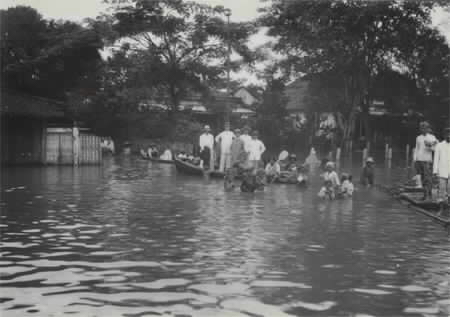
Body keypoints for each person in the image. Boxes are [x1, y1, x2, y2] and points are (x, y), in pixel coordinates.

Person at [414, 121, 437, 200]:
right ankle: (425, 194)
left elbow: (435, 149)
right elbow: (417, 149)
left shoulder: (432, 137)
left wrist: (429, 146)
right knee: (422, 178)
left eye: (425, 128)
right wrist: (415, 159)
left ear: (428, 129)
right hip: (419, 159)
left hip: (427, 160)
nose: (423, 129)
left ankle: (429, 194)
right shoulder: (418, 137)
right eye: (422, 128)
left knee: (428, 178)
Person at [433, 127, 450, 205]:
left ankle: (448, 201)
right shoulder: (439, 145)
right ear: (444, 135)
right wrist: (435, 171)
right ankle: (441, 203)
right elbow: (436, 159)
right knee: (442, 187)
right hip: (442, 170)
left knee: (449, 187)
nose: (448, 136)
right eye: (447, 134)